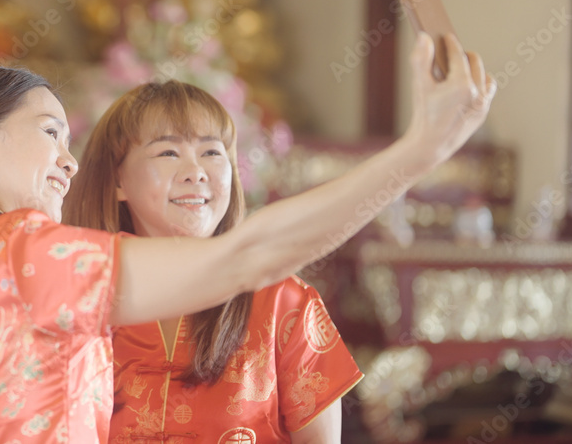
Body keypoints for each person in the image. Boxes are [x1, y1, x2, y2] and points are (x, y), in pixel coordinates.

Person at [0, 32, 494, 443]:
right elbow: (248, 255)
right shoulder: (21, 255)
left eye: (213, 153)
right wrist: (420, 150)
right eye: (51, 132)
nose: (68, 159)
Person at [64, 79, 360, 443]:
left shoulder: (284, 301)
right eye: (168, 153)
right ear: (117, 179)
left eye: (212, 152)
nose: (196, 171)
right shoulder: (76, 294)